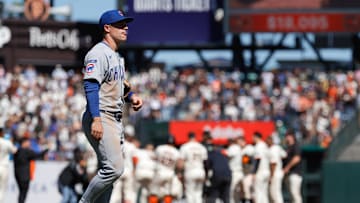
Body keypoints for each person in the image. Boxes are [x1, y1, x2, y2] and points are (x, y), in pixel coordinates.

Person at [79, 9, 143, 203]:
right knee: (114, 168)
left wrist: (130, 97)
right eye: (120, 25)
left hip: (113, 118)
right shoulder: (98, 53)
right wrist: (96, 119)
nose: (125, 28)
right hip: (102, 116)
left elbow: (116, 85)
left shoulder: (115, 56)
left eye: (126, 24)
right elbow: (90, 85)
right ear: (107, 28)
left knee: (109, 176)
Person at [13, 137, 48, 203]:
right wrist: (47, 149)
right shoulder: (27, 151)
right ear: (24, 143)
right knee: (23, 193)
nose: (29, 143)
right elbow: (38, 155)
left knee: (21, 193)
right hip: (25, 176)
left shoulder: (17, 151)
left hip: (17, 175)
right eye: (28, 142)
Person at [178, 132, 208, 203]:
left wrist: (180, 173)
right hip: (201, 171)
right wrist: (206, 175)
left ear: (188, 137)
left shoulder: (185, 146)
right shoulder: (202, 147)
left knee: (190, 194)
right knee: (198, 194)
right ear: (195, 137)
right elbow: (206, 163)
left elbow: (181, 163)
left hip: (190, 171)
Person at [283, 130, 303, 203]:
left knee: (295, 193)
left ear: (292, 137)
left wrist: (287, 167)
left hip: (295, 173)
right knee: (291, 194)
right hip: (289, 174)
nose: (287, 138)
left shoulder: (296, 146)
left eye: (288, 136)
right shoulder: (287, 147)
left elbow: (297, 158)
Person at [266, 135, 287, 203]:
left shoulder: (273, 149)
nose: (267, 142)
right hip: (278, 171)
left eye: (268, 140)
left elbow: (273, 163)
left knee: (275, 194)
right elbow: (284, 155)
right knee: (275, 193)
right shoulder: (277, 148)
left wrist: (271, 176)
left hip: (275, 172)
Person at [0, 127, 17, 203]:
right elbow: (14, 150)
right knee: (2, 188)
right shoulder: (6, 142)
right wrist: (11, 142)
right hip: (3, 166)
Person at [252, 132, 270, 203]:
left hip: (260, 171)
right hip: (266, 171)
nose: (252, 139)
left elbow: (258, 159)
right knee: (264, 193)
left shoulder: (258, 146)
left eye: (253, 137)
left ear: (256, 137)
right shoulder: (265, 145)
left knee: (258, 193)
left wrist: (254, 172)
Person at [225, 136, 244, 203]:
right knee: (237, 194)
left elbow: (227, 155)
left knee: (231, 192)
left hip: (234, 173)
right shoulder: (239, 148)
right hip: (241, 173)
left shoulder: (233, 148)